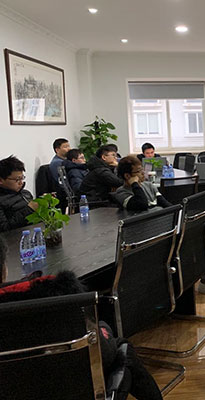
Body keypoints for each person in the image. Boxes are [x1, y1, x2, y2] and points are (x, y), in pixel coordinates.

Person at [0, 238, 163, 400]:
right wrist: (104, 328)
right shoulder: (54, 291)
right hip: (70, 386)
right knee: (121, 350)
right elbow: (104, 353)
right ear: (3, 270)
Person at [0, 156, 38, 232]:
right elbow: (4, 228)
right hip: (15, 237)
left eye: (22, 178)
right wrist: (29, 210)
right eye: (17, 179)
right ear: (1, 180)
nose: (21, 182)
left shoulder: (26, 193)